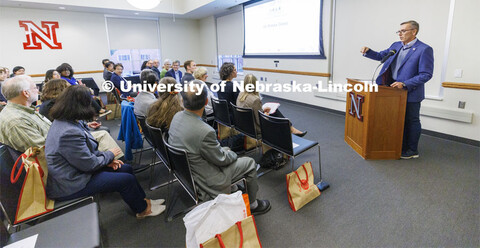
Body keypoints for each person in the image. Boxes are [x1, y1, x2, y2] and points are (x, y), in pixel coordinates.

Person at [45, 85, 165, 219]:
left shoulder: (65, 122)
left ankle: (143, 201)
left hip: (77, 171)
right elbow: (88, 164)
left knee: (126, 169)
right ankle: (143, 210)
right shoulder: (69, 132)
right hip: (71, 183)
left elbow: (85, 156)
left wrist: (106, 161)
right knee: (126, 179)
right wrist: (109, 155)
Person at [168, 80, 271, 215]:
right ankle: (253, 204)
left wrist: (225, 151)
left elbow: (209, 151)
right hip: (207, 179)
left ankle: (233, 189)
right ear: (206, 102)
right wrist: (232, 154)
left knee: (226, 150)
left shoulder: (176, 117)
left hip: (188, 172)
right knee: (249, 163)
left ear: (182, 100)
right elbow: (221, 159)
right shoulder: (205, 131)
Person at [0, 75, 123, 158]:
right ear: (26, 93)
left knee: (100, 135)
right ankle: (115, 166)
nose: (38, 90)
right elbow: (42, 151)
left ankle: (114, 164)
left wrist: (79, 127)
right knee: (101, 136)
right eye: (35, 88)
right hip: (58, 159)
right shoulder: (17, 120)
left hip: (60, 144)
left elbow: (53, 131)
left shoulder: (25, 111)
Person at [361, 20, 434, 159]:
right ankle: (398, 145)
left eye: (403, 31)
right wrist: (368, 51)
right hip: (391, 91)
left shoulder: (424, 49)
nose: (400, 34)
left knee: (411, 120)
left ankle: (412, 150)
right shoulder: (396, 46)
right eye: (399, 31)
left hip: (410, 92)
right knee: (394, 120)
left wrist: (405, 83)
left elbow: (426, 74)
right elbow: (382, 56)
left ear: (414, 32)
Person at [237, 74, 306, 138]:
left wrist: (263, 110)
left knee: (274, 112)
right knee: (275, 114)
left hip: (244, 126)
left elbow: (251, 110)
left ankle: (291, 129)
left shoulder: (241, 94)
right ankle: (290, 131)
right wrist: (266, 114)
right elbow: (260, 122)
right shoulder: (255, 99)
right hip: (255, 129)